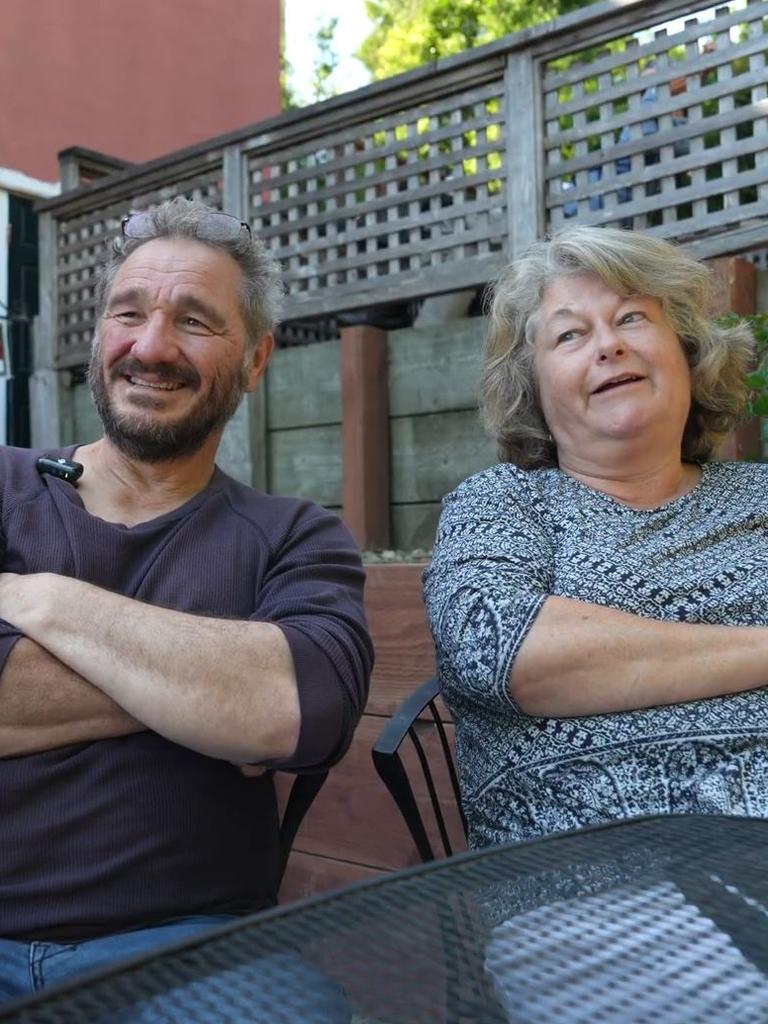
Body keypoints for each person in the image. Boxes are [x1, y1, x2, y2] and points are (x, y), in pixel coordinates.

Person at [0, 197, 372, 1005]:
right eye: (127, 314)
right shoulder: (1, 485)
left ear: (256, 358)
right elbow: (259, 700)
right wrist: (207, 690)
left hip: (193, 953)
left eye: (195, 322)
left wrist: (41, 602)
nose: (151, 346)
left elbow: (302, 710)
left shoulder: (296, 536)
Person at [423, 224, 768, 850]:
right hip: (592, 882)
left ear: (688, 352)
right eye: (571, 334)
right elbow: (501, 652)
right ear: (534, 387)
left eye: (632, 318)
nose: (608, 346)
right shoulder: (501, 503)